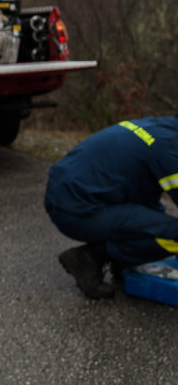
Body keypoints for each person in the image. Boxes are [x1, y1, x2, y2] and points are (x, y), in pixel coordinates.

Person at [45, 115, 178, 299]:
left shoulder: (158, 127)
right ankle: (91, 257)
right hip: (76, 209)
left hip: (65, 194)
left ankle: (123, 260)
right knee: (173, 236)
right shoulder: (170, 149)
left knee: (155, 222)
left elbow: (147, 200)